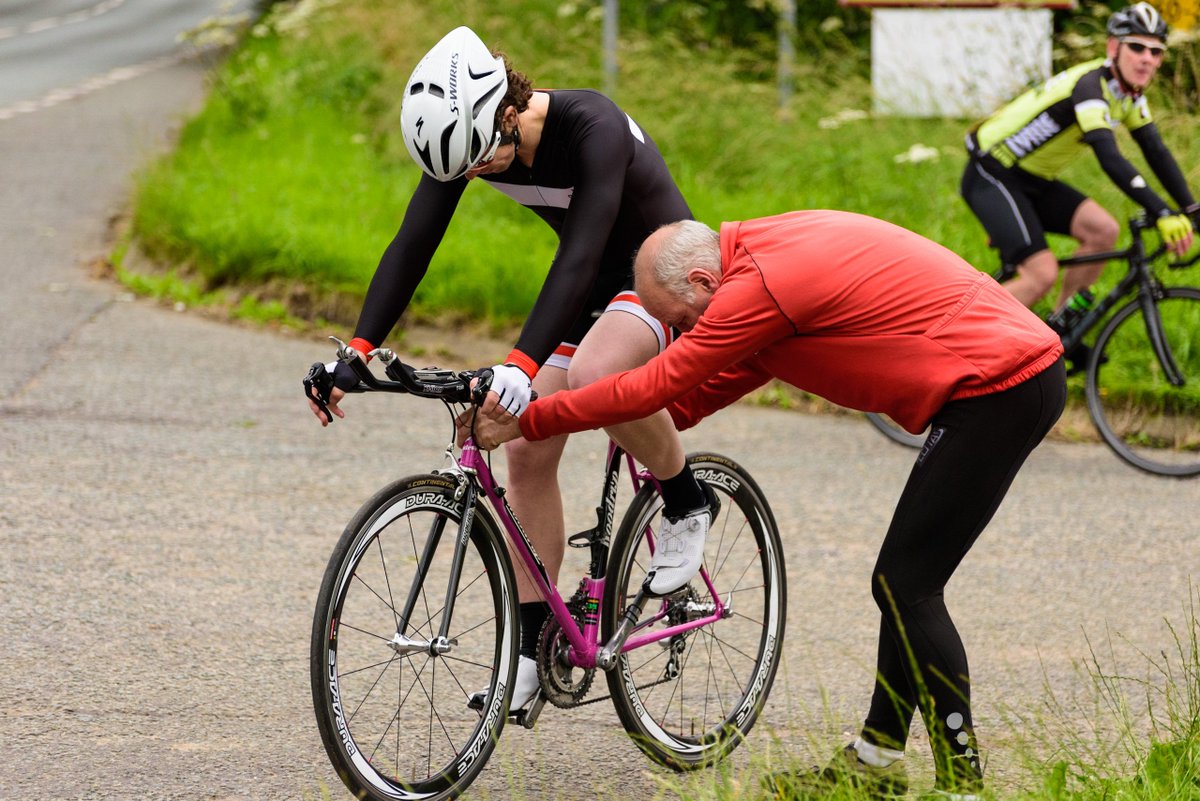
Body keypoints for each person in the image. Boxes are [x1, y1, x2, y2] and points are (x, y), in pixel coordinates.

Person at [468, 211, 1067, 800]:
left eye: (680, 320)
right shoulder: (754, 273)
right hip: (993, 384)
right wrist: (618, 418)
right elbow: (688, 401)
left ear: (703, 283)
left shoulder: (762, 282)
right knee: (903, 583)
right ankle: (878, 760)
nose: (685, 331)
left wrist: (534, 419)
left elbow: (661, 383)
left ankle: (964, 784)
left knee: (906, 584)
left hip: (1002, 386)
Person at [303, 26, 715, 712]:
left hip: (663, 280)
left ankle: (685, 496)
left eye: (477, 161)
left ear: (505, 110)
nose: (473, 175)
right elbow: (414, 242)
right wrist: (357, 351)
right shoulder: (470, 144)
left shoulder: (595, 128)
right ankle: (529, 649)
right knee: (523, 446)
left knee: (591, 375)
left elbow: (581, 254)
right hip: (593, 293)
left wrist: (521, 364)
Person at [961, 2, 1196, 367]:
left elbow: (1156, 151)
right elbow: (1110, 157)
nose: (1147, 58)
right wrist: (1162, 211)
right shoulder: (1090, 87)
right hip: (993, 174)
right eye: (1137, 47)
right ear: (1113, 48)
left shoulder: (1128, 96)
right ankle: (959, 344)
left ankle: (1053, 337)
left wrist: (1191, 208)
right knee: (1040, 273)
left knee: (1103, 230)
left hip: (1033, 180)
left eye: (1156, 51)